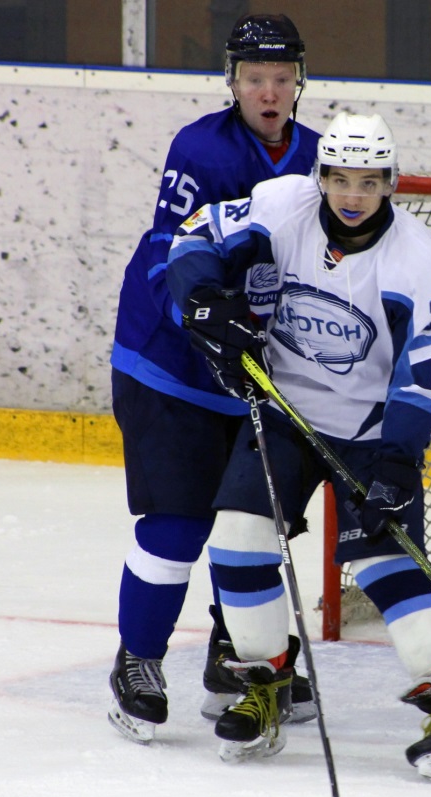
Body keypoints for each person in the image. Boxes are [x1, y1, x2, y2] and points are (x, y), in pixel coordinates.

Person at [162, 111, 431, 780]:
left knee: (387, 565)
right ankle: (267, 680)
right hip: (286, 416)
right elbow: (191, 237)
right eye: (341, 179)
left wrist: (401, 459)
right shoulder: (280, 204)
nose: (353, 195)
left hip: (371, 434)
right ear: (320, 177)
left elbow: (424, 367)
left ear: (390, 183)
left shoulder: (415, 258)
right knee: (236, 537)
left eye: (369, 182)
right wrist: (202, 296)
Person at [106, 13, 319, 744]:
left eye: (281, 78)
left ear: (299, 83)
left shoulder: (319, 159)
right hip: (168, 367)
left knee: (253, 526)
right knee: (177, 524)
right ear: (232, 81)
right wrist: (206, 312)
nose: (269, 91)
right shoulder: (201, 148)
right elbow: (172, 251)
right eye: (255, 78)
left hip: (254, 376)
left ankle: (237, 657)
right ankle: (137, 661)